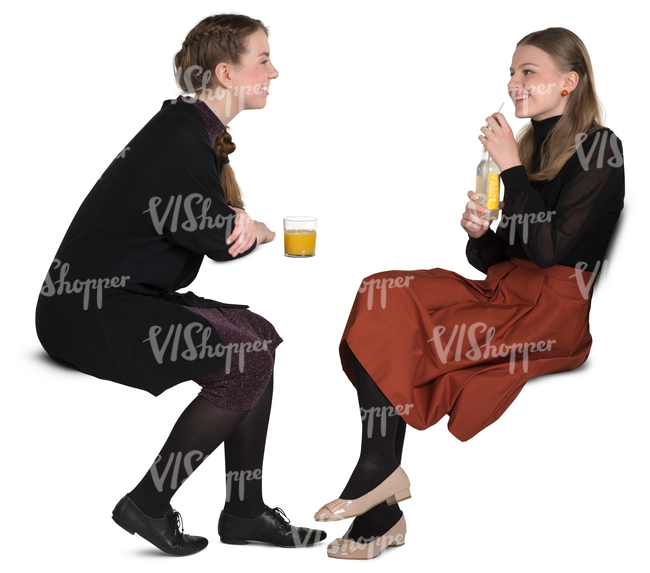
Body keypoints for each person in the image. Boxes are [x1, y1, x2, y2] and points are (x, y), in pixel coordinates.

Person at [315, 27, 624, 560]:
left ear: (569, 82)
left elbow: (551, 252)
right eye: (511, 71)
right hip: (504, 291)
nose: (513, 83)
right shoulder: (530, 144)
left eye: (528, 71)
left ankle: (379, 497)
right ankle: (381, 482)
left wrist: (510, 169)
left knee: (415, 328)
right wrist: (481, 235)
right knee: (383, 293)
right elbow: (503, 256)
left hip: (552, 312)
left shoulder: (601, 147)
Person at [35, 13, 325, 556]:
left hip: (118, 298)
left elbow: (207, 230)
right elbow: (221, 240)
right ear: (225, 72)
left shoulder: (188, 127)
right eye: (263, 60)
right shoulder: (181, 137)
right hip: (88, 313)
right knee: (248, 354)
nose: (275, 71)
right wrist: (254, 228)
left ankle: (245, 511)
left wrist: (235, 226)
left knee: (258, 335)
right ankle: (149, 501)